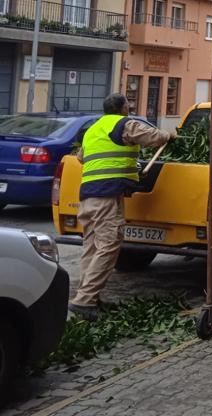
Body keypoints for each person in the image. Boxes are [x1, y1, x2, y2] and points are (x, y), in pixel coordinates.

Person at [68, 94, 174, 320]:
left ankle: (89, 297)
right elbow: (153, 137)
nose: (129, 107)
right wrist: (169, 134)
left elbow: (81, 158)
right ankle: (84, 301)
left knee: (92, 247)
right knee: (109, 245)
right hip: (106, 195)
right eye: (128, 104)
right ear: (122, 107)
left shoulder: (94, 129)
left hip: (88, 195)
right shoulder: (125, 124)